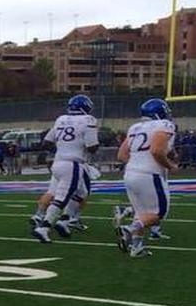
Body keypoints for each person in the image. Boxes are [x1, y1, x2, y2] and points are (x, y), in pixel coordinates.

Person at [30, 94, 99, 244]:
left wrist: (63, 148)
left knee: (82, 193)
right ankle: (44, 227)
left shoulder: (61, 119)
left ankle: (64, 220)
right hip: (73, 164)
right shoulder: (88, 120)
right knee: (61, 198)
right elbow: (92, 147)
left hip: (58, 162)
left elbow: (46, 142)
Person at [115, 98, 177, 258]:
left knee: (141, 212)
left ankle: (136, 247)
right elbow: (156, 150)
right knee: (159, 214)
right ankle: (129, 230)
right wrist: (170, 166)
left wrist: (137, 164)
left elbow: (121, 155)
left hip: (130, 173)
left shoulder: (135, 127)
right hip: (149, 174)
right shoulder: (164, 124)